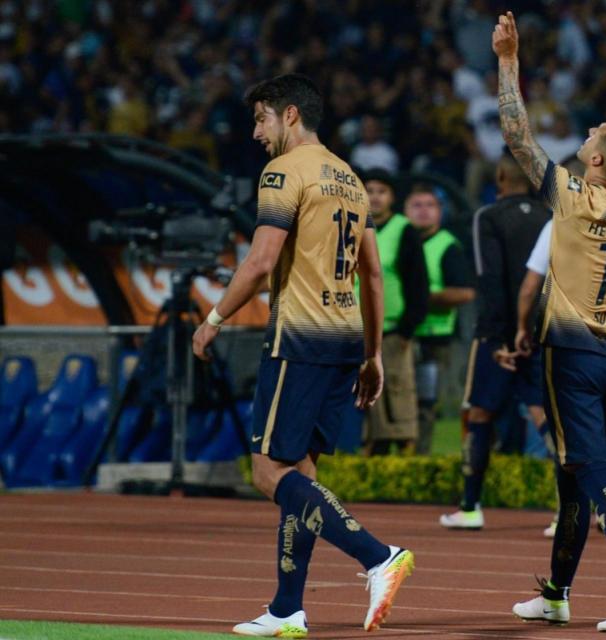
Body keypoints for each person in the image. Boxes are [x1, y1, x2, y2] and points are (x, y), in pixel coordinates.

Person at [191, 73, 414, 637]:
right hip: (343, 340)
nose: (256, 131)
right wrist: (373, 353)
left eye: (261, 117)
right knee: (303, 475)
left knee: (268, 471)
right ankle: (288, 608)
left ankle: (377, 555)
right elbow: (372, 271)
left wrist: (213, 320)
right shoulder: (351, 179)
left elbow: (262, 262)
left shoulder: (284, 172)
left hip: (301, 337)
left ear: (290, 115)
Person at [494, 14, 606, 632]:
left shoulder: (570, 195)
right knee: (573, 476)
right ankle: (558, 594)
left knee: (592, 469)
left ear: (595, 158)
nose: (587, 130)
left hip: (567, 356)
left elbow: (518, 136)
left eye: (593, 131)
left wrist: (509, 62)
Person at [518, 221, 606, 537]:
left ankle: (565, 513)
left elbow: (530, 286)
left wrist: (521, 328)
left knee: (570, 432)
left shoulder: (557, 224)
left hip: (568, 347)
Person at [439, 154, 550, 530]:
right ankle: (574, 504)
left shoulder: (487, 217)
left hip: (499, 335)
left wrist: (500, 336)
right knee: (543, 415)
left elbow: (491, 278)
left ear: (499, 177)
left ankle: (470, 506)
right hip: (541, 332)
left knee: (480, 413)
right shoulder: (551, 217)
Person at [360, 169, 430, 456]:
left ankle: (404, 456)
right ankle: (372, 454)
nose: (375, 197)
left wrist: (407, 329)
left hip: (392, 329)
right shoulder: (352, 225)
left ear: (392, 197)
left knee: (398, 392)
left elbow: (418, 283)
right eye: (370, 190)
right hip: (358, 330)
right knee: (366, 397)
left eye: (381, 191)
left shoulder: (403, 229)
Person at [405, 183, 475, 455]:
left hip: (435, 339)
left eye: (430, 206)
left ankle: (424, 457)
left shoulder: (447, 246)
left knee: (428, 401)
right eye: (417, 205)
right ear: (405, 210)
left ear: (440, 212)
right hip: (398, 334)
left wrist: (422, 295)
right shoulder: (401, 239)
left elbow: (465, 293)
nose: (423, 212)